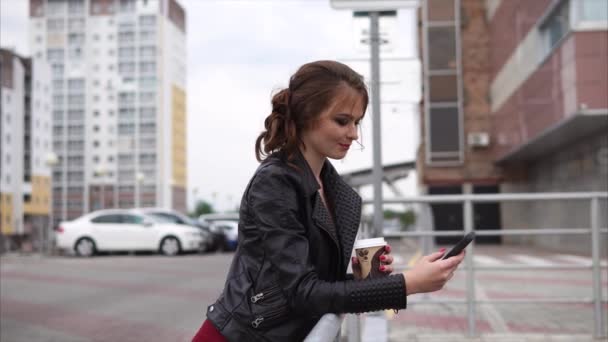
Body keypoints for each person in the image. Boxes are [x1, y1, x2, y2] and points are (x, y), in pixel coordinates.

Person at [192, 60, 465, 342]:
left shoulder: (330, 186)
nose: (354, 133)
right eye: (342, 121)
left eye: (357, 122)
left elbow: (313, 286)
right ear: (306, 115)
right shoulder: (274, 182)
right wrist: (407, 284)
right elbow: (302, 292)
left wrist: (361, 280)